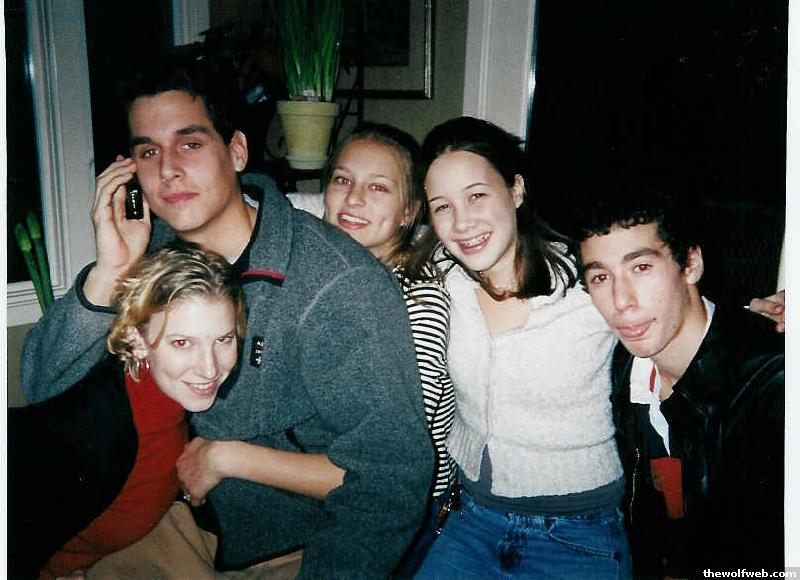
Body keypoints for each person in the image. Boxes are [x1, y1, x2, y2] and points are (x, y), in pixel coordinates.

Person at [20, 62, 434, 578]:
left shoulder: (337, 286)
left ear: (237, 151)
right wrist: (109, 272)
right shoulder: (148, 255)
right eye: (148, 152)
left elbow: (390, 479)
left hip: (292, 549)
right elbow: (45, 391)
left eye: (189, 144)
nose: (168, 170)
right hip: (167, 522)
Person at [413, 117, 631, 579]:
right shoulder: (440, 275)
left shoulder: (585, 285)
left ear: (515, 190)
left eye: (477, 196)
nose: (462, 223)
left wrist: (763, 313)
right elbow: (363, 220)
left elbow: (674, 312)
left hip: (578, 534)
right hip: (470, 521)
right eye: (442, 206)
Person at [9, 240, 245, 580]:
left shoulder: (167, 401)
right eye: (182, 343)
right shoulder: (92, 431)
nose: (210, 368)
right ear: (137, 341)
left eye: (223, 339)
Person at [576, 195, 784, 577]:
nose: (621, 301)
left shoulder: (772, 388)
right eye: (600, 277)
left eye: (640, 267)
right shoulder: (620, 370)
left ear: (691, 264)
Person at [286, 123, 455, 576]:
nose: (354, 198)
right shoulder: (320, 268)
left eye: (378, 187)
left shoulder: (418, 299)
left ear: (408, 212)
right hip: (324, 483)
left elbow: (389, 458)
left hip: (404, 508)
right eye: (342, 180)